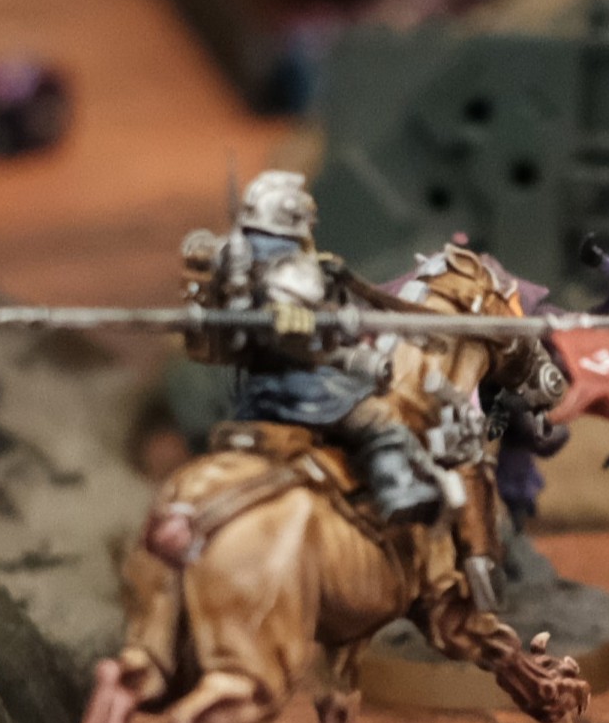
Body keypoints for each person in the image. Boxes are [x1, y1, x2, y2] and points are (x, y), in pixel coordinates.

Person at [182, 171, 446, 527]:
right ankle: (396, 489)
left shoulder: (232, 257)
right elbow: (304, 337)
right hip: (301, 391)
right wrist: (341, 327)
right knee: (377, 419)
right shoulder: (291, 267)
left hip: (252, 393)